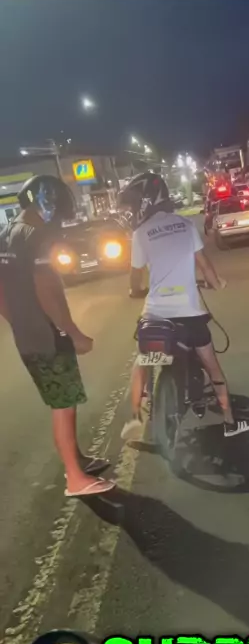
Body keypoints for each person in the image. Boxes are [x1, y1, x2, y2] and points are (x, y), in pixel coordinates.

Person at [118, 172, 249, 440]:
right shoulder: (185, 225)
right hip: (190, 317)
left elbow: (134, 281)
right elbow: (205, 266)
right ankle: (229, 422)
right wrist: (216, 283)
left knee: (143, 361)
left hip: (156, 317)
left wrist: (136, 291)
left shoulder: (140, 234)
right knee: (212, 367)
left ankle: (134, 418)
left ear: (145, 202)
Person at [0, 175, 114, 498]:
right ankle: (75, 479)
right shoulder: (37, 236)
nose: (59, 219)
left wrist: (18, 322)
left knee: (61, 399)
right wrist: (71, 331)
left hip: (27, 337)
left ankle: (76, 460)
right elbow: (47, 289)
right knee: (64, 404)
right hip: (49, 337)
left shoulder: (6, 234)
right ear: (45, 203)